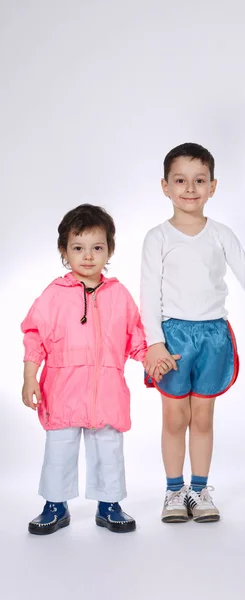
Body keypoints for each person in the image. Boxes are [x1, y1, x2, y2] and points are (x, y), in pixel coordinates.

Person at [141, 142, 245, 523]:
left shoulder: (221, 234)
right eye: (181, 180)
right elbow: (148, 294)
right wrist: (153, 344)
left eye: (199, 180)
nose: (190, 188)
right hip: (172, 340)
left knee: (202, 417)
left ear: (212, 187)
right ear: (165, 186)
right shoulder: (158, 238)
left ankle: (200, 491)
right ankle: (174, 492)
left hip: (213, 336)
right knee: (174, 418)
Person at [21, 204, 152, 535]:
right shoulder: (54, 295)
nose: (88, 256)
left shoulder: (119, 295)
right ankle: (55, 504)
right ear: (64, 250)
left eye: (97, 247)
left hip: (106, 390)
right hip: (63, 391)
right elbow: (34, 336)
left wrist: (152, 360)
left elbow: (136, 336)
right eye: (78, 248)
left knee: (108, 448)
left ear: (110, 248)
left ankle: (109, 505)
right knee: (59, 450)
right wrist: (29, 377)